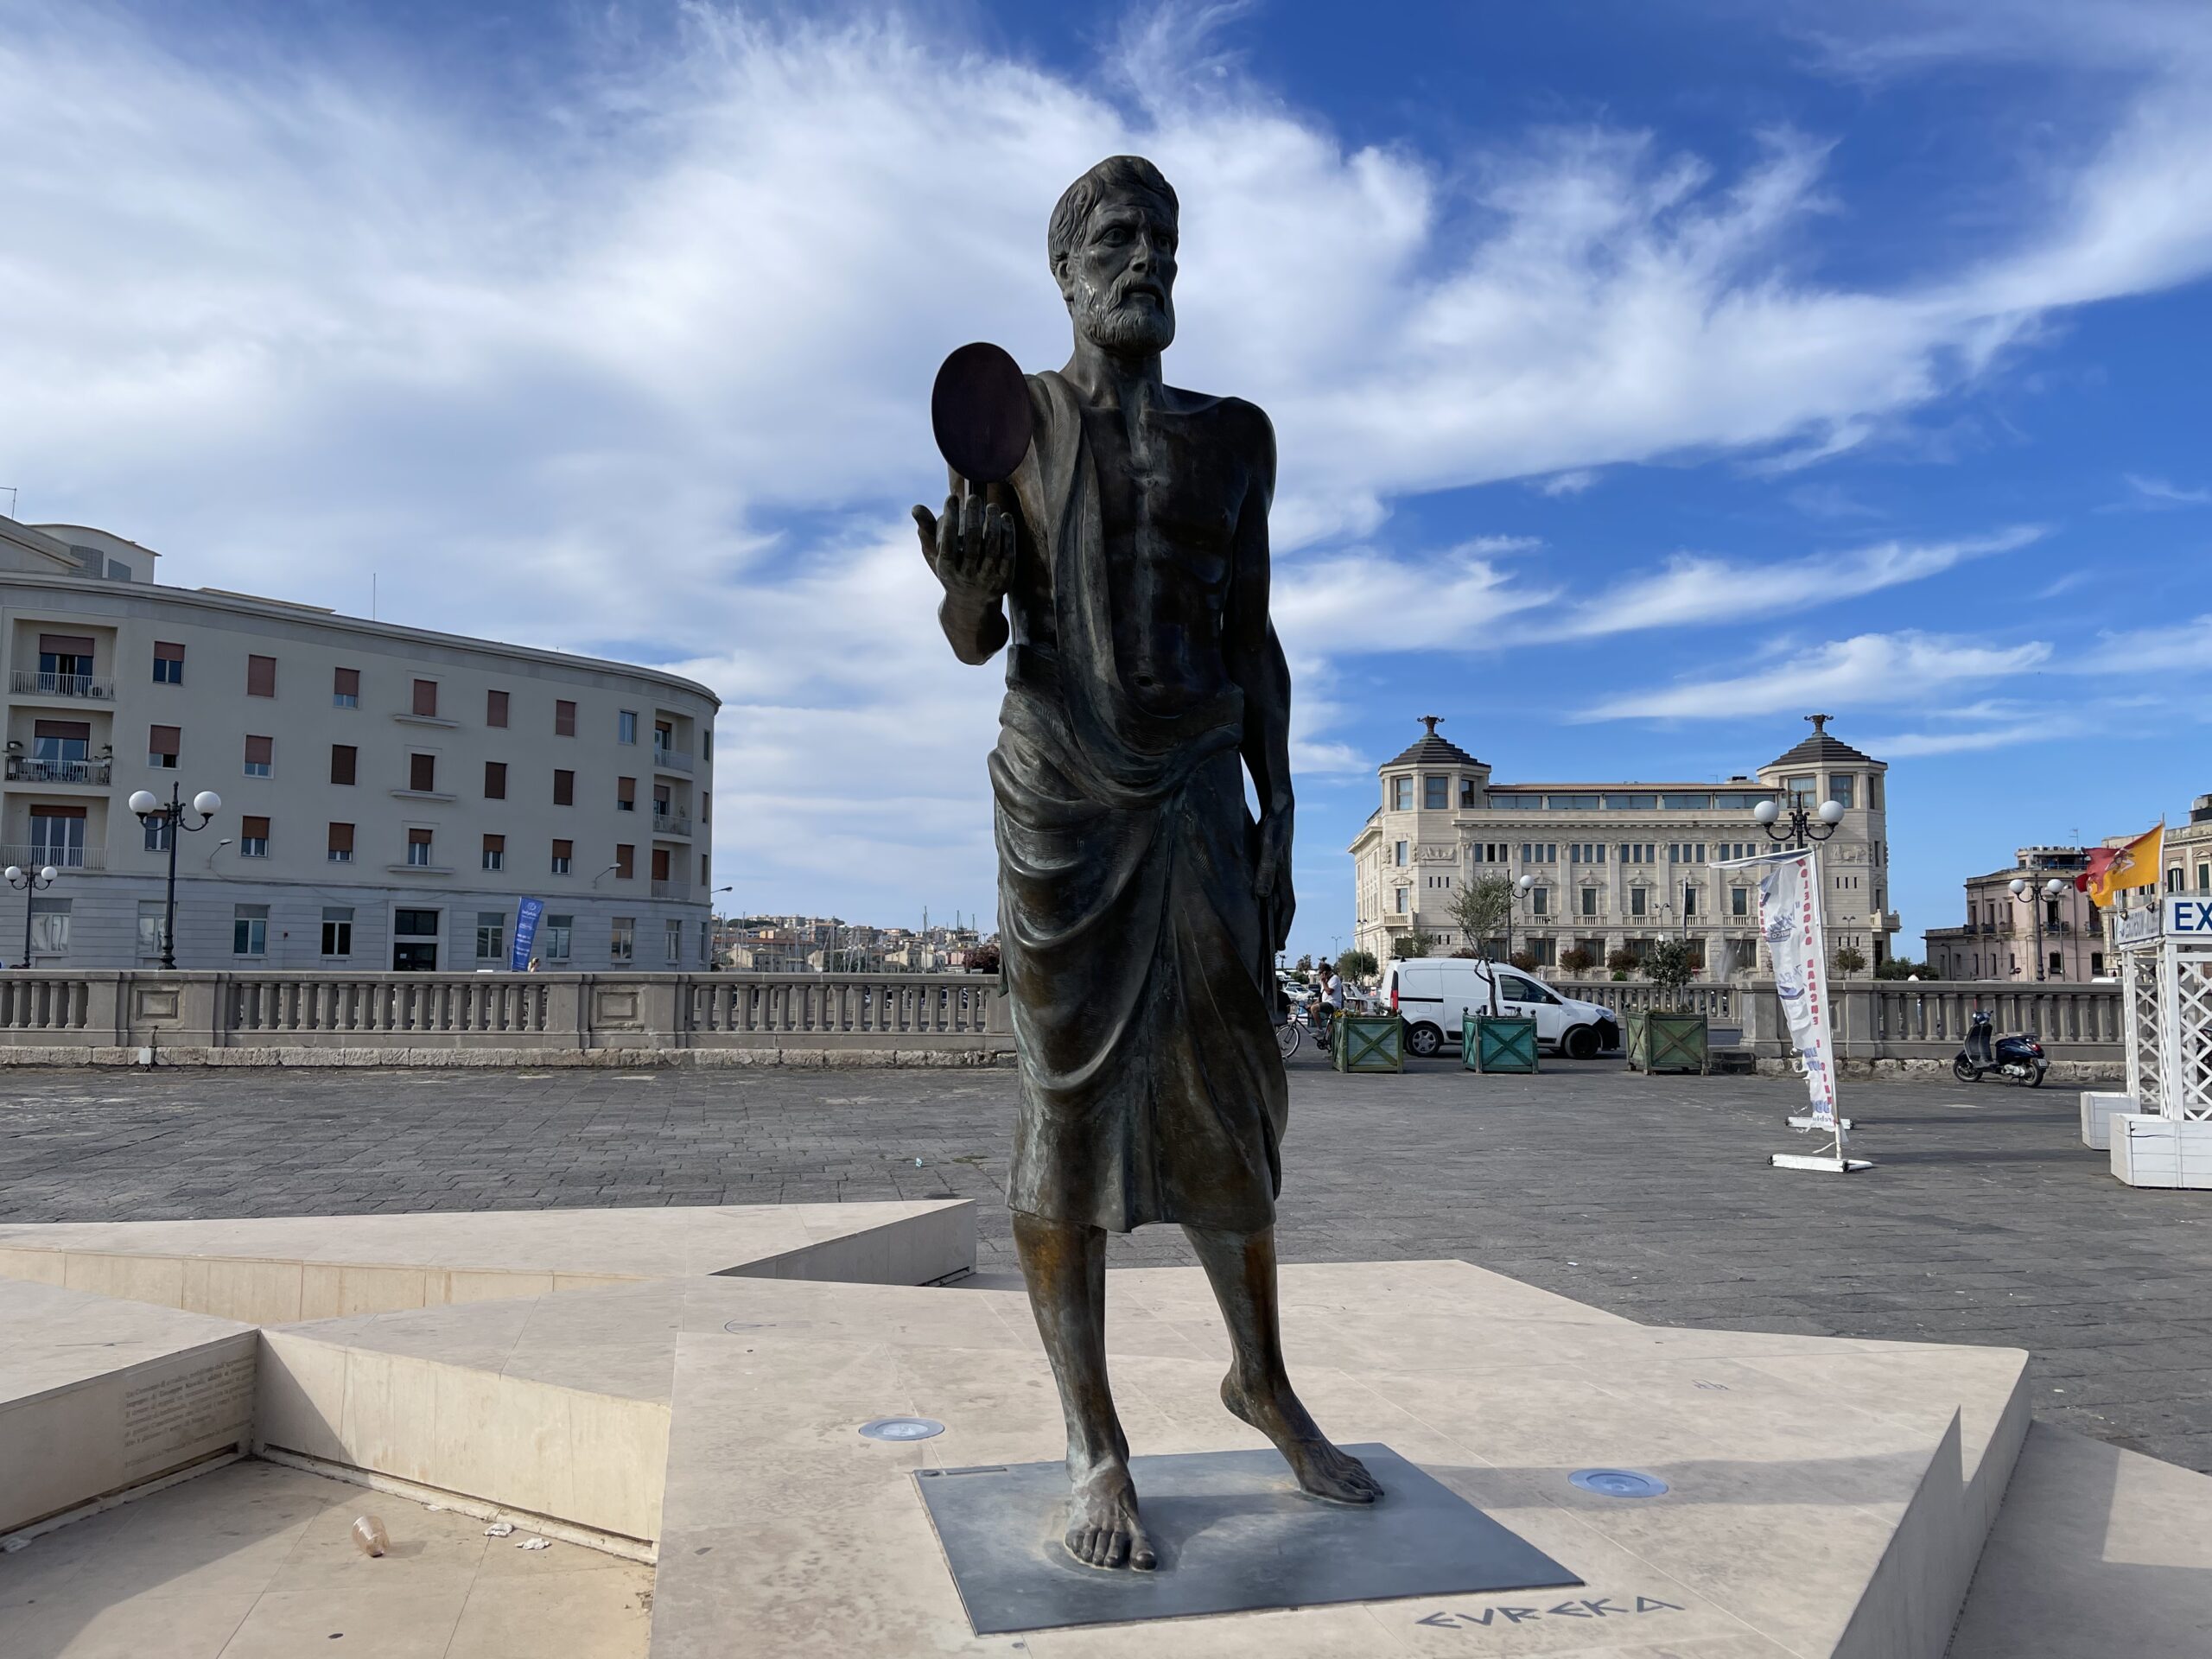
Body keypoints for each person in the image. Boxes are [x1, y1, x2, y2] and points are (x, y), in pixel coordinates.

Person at [913, 155, 1379, 1575]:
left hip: (1197, 788)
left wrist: (1284, 803)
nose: (1146, 259)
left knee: (1230, 1097)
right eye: (1117, 237)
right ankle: (1092, 1441)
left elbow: (1255, 633)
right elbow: (974, 640)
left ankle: (1263, 1381)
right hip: (1063, 789)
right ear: (1065, 270)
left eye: (1164, 237)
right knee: (1069, 1108)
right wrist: (974, 585)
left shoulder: (1237, 436)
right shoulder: (1013, 426)